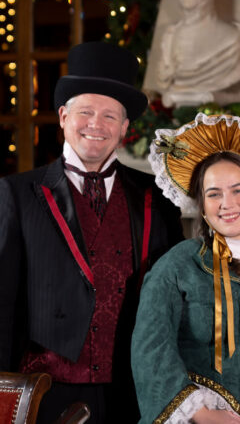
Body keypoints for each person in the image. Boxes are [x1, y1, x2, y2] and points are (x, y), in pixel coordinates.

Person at [0, 41, 183, 423]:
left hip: (132, 388)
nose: (96, 125)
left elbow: (173, 298)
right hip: (46, 390)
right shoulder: (16, 194)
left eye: (109, 116)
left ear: (125, 128)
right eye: (85, 112)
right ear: (64, 115)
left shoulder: (158, 197)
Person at [132, 112, 240, 423]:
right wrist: (203, 414)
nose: (227, 203)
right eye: (213, 194)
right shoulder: (176, 266)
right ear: (201, 203)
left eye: (238, 190)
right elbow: (151, 351)